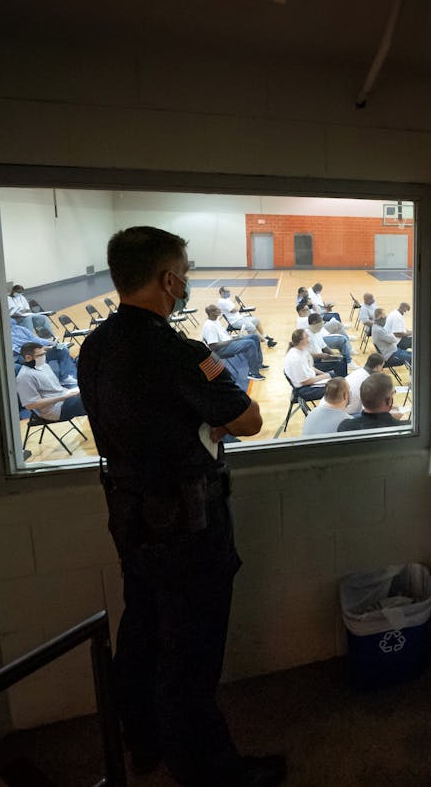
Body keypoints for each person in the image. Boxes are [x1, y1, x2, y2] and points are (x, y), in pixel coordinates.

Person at [75, 226, 279, 787]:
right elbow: (249, 420)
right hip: (189, 527)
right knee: (189, 658)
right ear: (169, 279)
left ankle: (142, 745)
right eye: (184, 271)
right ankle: (211, 774)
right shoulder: (184, 353)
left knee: (141, 633)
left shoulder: (94, 348)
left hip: (130, 520)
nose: (186, 281)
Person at [15, 341, 86, 421]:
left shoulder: (44, 366)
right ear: (28, 358)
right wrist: (64, 397)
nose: (44, 357)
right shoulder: (24, 377)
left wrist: (69, 393)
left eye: (44, 354)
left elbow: (55, 389)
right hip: (55, 410)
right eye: (40, 355)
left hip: (64, 398)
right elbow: (31, 405)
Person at [201, 305, 266, 386]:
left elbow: (223, 337)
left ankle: (258, 364)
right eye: (216, 310)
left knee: (255, 337)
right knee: (250, 343)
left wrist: (235, 338)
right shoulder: (209, 326)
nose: (219, 310)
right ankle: (253, 373)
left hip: (228, 343)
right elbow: (213, 346)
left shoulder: (216, 321)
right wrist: (231, 341)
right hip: (220, 350)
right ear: (211, 313)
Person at [9, 321, 78, 385]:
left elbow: (35, 339)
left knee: (62, 348)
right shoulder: (5, 336)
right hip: (23, 356)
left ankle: (65, 377)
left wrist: (50, 342)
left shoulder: (20, 328)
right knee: (39, 356)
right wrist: (39, 349)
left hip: (39, 349)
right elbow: (17, 350)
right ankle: (47, 382)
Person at [337, 372, 407, 432]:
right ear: (389, 401)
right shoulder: (407, 429)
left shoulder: (345, 427)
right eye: (393, 392)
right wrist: (390, 420)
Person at [284, 328, 331, 404]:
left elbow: (310, 367)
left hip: (310, 383)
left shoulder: (301, 350)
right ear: (301, 341)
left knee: (335, 379)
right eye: (306, 336)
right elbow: (305, 382)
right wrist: (325, 376)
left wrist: (324, 374)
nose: (309, 336)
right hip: (304, 390)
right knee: (337, 389)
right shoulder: (295, 358)